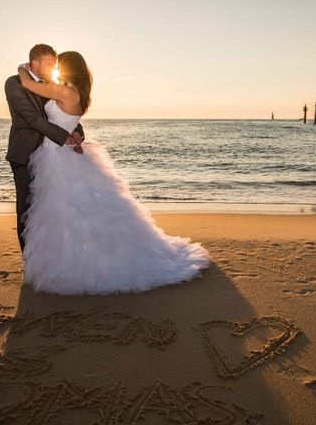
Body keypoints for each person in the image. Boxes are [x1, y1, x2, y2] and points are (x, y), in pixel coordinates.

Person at [15, 50, 211, 295]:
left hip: (57, 158)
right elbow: (66, 121)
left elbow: (26, 83)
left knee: (63, 215)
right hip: (64, 154)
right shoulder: (76, 92)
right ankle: (77, 260)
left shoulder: (64, 91)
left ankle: (73, 267)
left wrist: (23, 67)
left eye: (59, 65)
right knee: (76, 215)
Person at [4, 44, 85, 252]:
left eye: (54, 64)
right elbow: (32, 118)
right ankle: (29, 260)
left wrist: (78, 134)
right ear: (34, 63)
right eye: (49, 64)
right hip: (25, 153)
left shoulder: (53, 85)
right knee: (27, 209)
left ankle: (52, 254)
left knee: (52, 209)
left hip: (53, 156)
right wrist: (63, 136)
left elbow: (66, 113)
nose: (52, 68)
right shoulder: (14, 83)